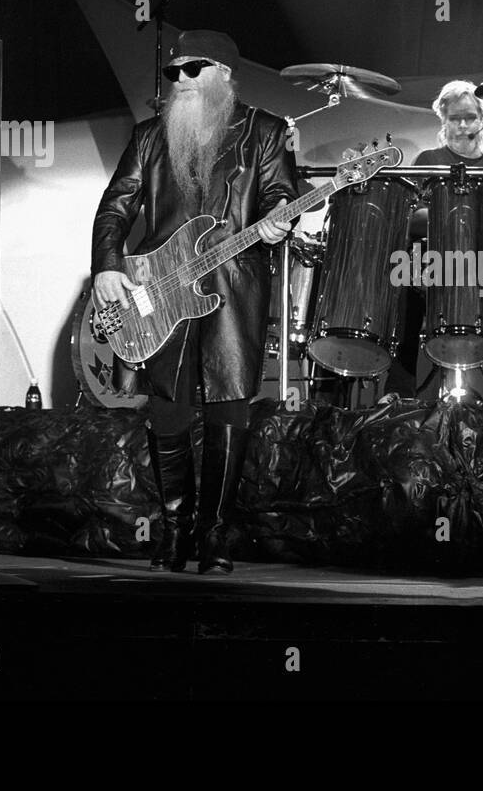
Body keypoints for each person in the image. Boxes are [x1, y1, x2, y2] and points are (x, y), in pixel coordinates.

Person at [91, 30, 298, 574]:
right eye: (173, 71)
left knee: (230, 403)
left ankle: (215, 537)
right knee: (168, 408)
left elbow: (279, 193)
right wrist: (108, 267)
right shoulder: (149, 136)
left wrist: (280, 221)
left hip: (232, 284)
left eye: (192, 69)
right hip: (157, 287)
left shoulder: (266, 131)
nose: (179, 80)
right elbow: (115, 206)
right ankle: (175, 531)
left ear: (225, 73)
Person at [390, 81, 483, 410]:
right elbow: (406, 215)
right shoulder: (427, 159)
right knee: (401, 286)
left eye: (470, 117)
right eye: (455, 118)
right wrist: (448, 217)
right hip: (433, 265)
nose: (463, 125)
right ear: (443, 119)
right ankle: (399, 397)